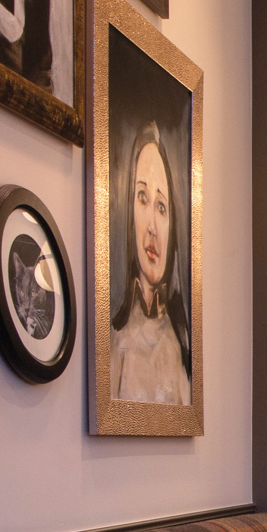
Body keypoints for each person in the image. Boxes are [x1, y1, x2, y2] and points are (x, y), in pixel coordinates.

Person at [109, 122, 191, 404]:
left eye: (162, 206)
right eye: (142, 198)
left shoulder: (179, 345)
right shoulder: (113, 340)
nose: (153, 226)